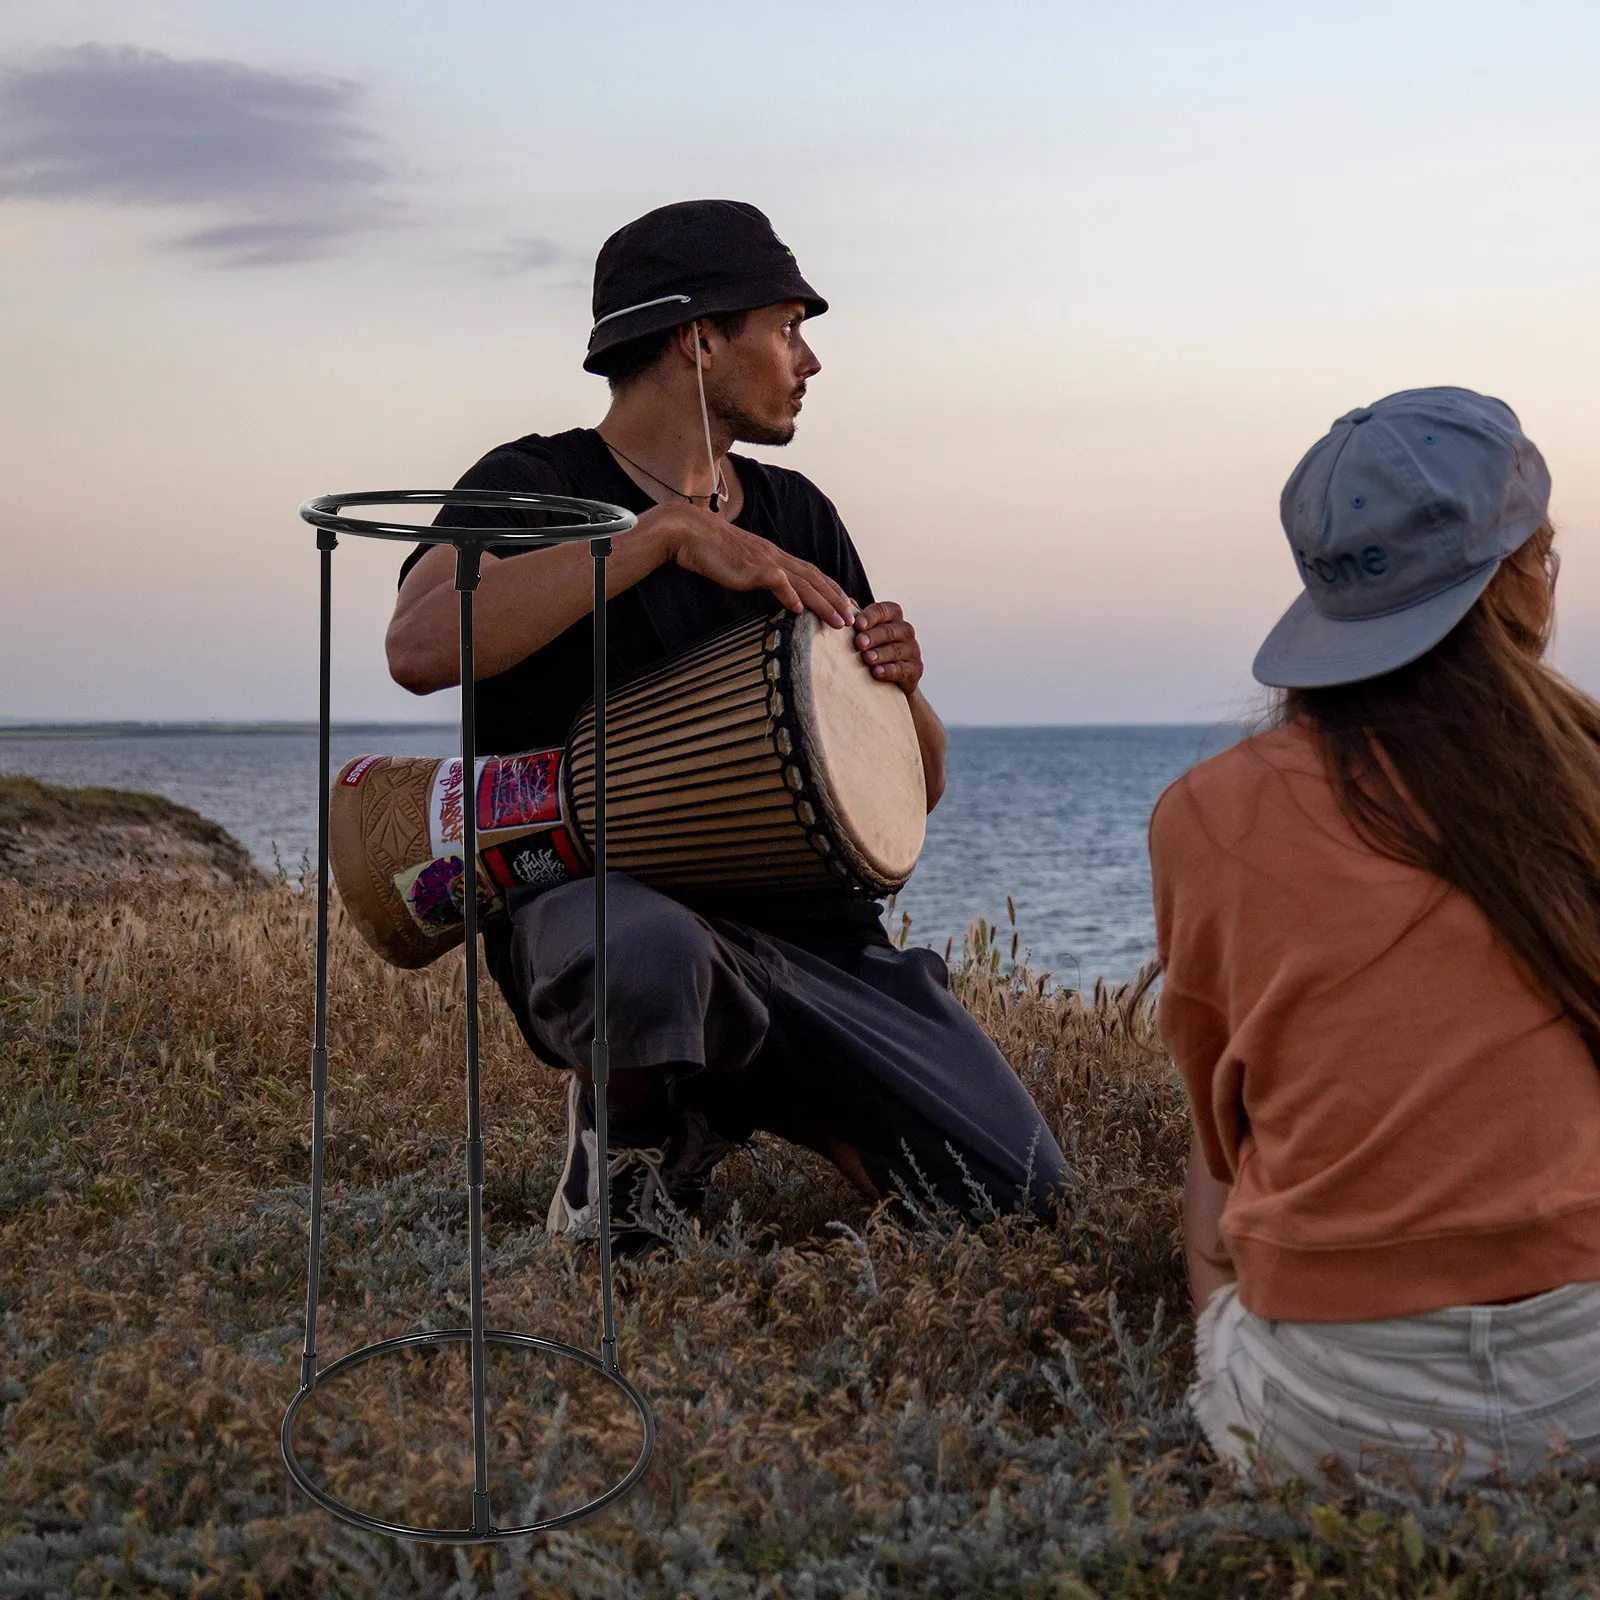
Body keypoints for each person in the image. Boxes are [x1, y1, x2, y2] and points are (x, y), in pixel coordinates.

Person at [386, 199, 1067, 1251]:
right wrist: (656, 540)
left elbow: (913, 788)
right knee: (647, 954)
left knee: (1017, 1192)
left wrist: (904, 687)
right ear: (696, 338)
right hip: (605, 914)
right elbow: (420, 647)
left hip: (807, 936)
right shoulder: (538, 485)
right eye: (786, 326)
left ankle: (729, 1096)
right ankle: (631, 1134)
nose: (810, 359)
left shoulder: (799, 517)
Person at [1151, 386, 1600, 1485]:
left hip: (1332, 1425)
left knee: (1218, 1151)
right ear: (1518, 577)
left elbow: (1227, 1138)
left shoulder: (1205, 811)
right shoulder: (1586, 773)